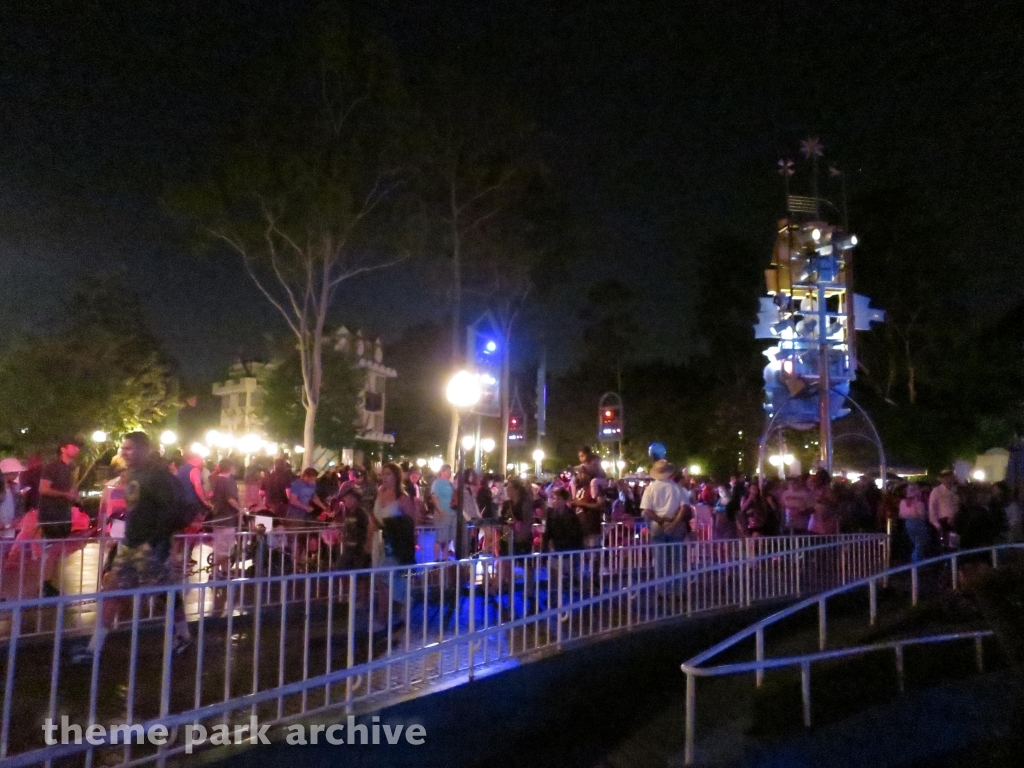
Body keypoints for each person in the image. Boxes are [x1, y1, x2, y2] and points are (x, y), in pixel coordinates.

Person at [73, 432, 192, 663]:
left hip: (150, 546)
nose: (123, 453)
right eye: (123, 448)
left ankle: (183, 635)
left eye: (128, 448)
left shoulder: (159, 476)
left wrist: (156, 541)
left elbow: (174, 509)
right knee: (113, 593)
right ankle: (93, 648)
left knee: (165, 596)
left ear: (143, 450)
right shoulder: (136, 473)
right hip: (129, 545)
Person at [38, 438, 82, 596]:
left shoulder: (72, 468)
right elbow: (43, 489)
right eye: (73, 446)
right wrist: (65, 494)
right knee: (53, 548)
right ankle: (46, 583)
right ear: (63, 449)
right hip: (51, 513)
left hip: (64, 513)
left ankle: (51, 581)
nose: (77, 449)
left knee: (58, 549)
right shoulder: (52, 467)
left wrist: (73, 497)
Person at [640, 460, 689, 543]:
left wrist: (661, 521)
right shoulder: (678, 487)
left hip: (657, 524)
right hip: (676, 523)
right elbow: (684, 508)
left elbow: (646, 510)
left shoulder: (650, 489)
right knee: (676, 554)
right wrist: (674, 523)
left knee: (659, 553)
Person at [542, 487, 584, 551]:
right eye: (554, 499)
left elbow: (577, 535)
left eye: (558, 499)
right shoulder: (550, 514)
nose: (555, 501)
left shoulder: (571, 515)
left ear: (565, 501)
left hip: (569, 550)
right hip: (555, 549)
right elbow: (547, 533)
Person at [430, 464, 457, 561]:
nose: (450, 472)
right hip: (443, 513)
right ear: (443, 472)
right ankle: (437, 558)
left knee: (448, 538)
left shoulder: (451, 484)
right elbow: (434, 496)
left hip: (452, 513)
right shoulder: (437, 483)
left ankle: (445, 557)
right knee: (440, 537)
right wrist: (440, 510)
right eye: (448, 470)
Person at [899, 483, 930, 562]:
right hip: (918, 523)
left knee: (916, 543)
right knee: (920, 542)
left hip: (908, 523)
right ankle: (916, 562)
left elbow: (901, 514)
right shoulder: (918, 503)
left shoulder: (903, 502)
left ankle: (918, 560)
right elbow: (922, 515)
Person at [928, 469, 960, 544]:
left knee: (955, 544)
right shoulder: (936, 491)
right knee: (946, 544)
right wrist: (936, 524)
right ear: (942, 479)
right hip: (943, 522)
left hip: (956, 520)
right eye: (946, 478)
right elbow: (932, 508)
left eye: (950, 477)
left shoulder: (956, 490)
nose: (949, 480)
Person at [0, 458, 25, 539]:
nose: (17, 475)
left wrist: (17, 519)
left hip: (11, 528)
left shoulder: (16, 488)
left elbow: (20, 506)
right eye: (15, 473)